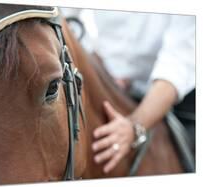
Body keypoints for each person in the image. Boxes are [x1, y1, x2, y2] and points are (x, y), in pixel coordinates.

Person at [61, 9, 195, 173]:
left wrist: (135, 125)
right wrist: (96, 63)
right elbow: (63, 17)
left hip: (172, 90)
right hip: (106, 76)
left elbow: (179, 62)